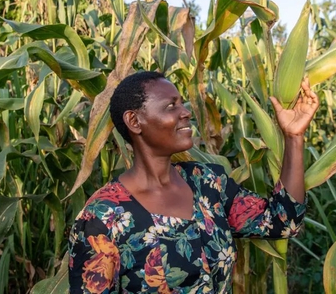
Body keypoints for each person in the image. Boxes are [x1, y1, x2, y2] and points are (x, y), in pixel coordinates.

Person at [68, 71, 319, 294]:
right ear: (135, 121)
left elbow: (283, 222)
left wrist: (294, 137)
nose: (186, 112)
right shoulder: (102, 218)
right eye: (171, 106)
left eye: (182, 104)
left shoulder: (207, 183)